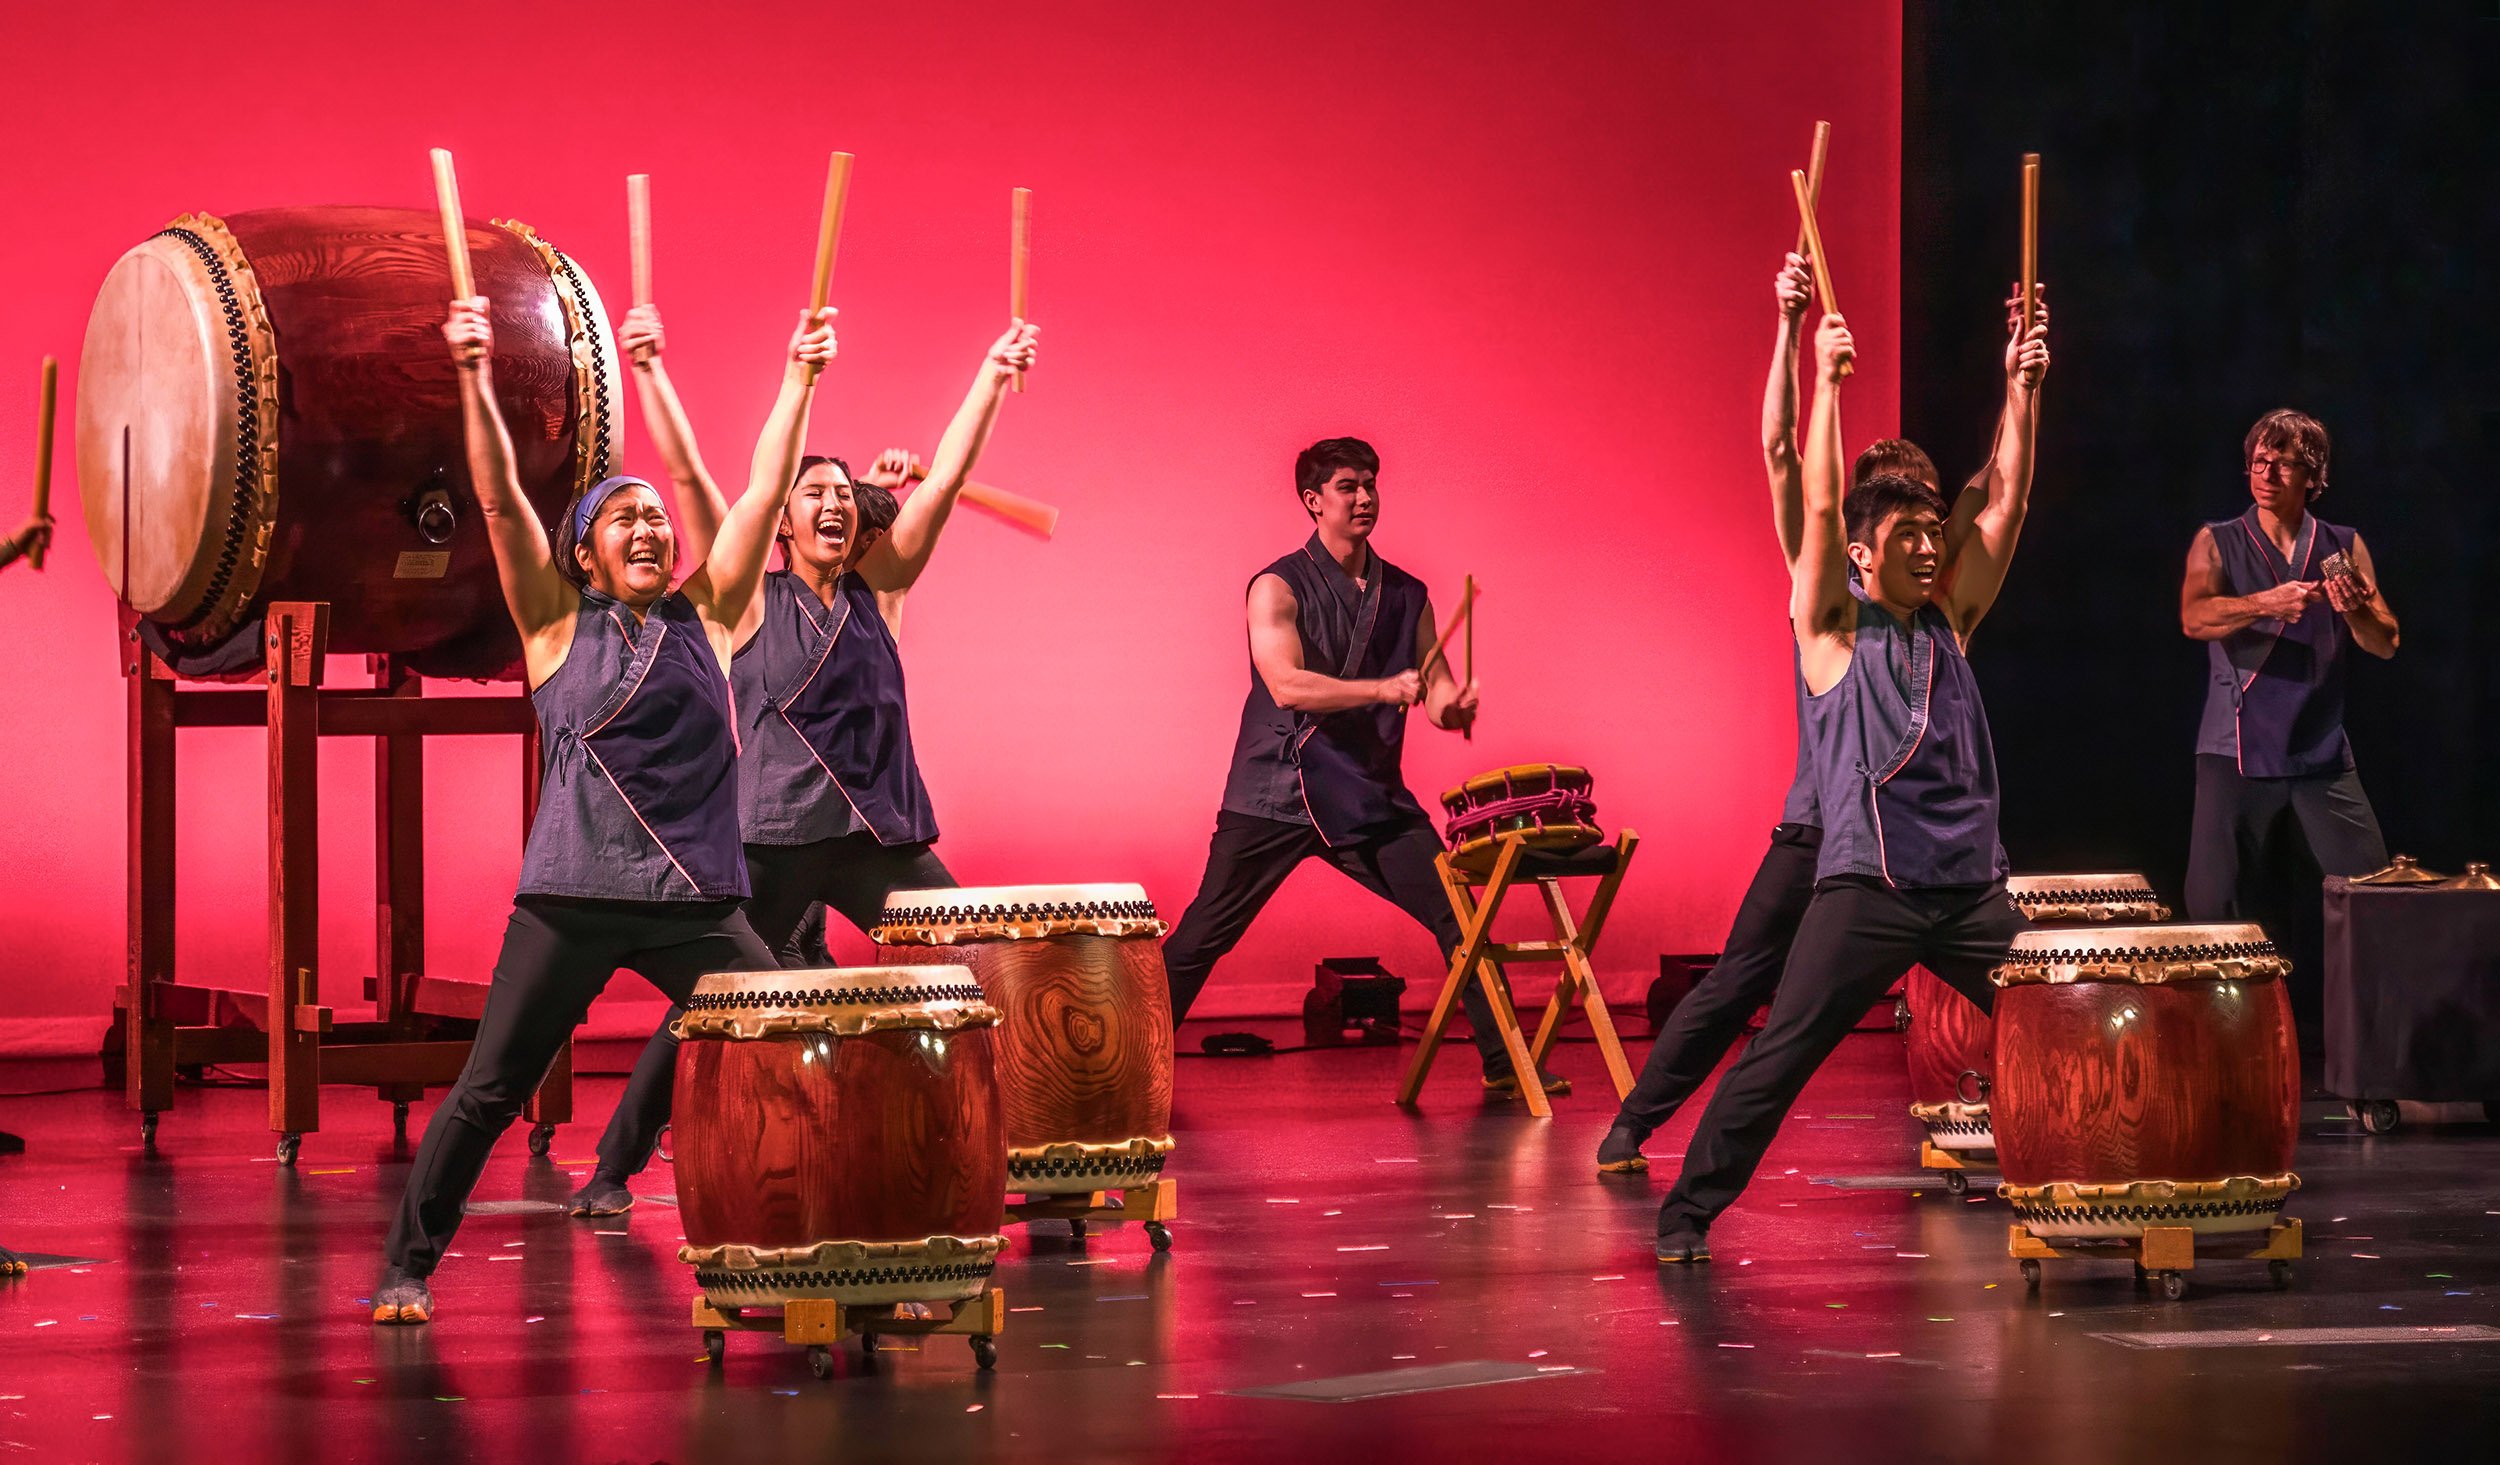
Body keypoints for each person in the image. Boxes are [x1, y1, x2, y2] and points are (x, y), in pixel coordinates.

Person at [368, 296, 834, 1323]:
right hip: (569, 901)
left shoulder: (704, 618)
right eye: (625, 516)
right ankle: (407, 1266)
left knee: (793, 1047)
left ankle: (811, 1249)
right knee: (490, 1090)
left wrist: (799, 380)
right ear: (582, 553)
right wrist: (473, 377)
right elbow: (496, 499)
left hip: (694, 904)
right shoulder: (549, 625)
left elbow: (761, 495)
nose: (650, 527)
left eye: (657, 520)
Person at [563, 309, 1038, 1216]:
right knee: (706, 1003)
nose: (831, 502)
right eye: (811, 492)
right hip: (772, 840)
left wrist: (990, 371)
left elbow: (951, 476)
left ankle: (998, 1148)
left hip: (875, 840)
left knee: (973, 976)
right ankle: (614, 1168)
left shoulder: (880, 593)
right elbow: (703, 478)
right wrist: (655, 371)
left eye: (843, 494)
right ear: (779, 520)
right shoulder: (743, 603)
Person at [1594, 263, 2037, 1173]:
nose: (1916, 535)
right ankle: (1635, 1123)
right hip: (1820, 827)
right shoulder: (1829, 588)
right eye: (1893, 517)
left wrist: (2021, 378)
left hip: (1912, 856)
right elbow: (1786, 460)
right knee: (1740, 983)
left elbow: (2002, 487)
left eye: (1924, 517)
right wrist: (1792, 332)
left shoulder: (1945, 607)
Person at [1162, 437, 1566, 1095]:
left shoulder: (1408, 594)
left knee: (1460, 914)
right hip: (1276, 790)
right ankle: (1121, 1064)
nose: (1365, 496)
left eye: (1371, 483)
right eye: (1348, 485)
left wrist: (1452, 705)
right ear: (1313, 500)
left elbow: (1432, 691)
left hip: (1365, 795)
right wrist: (1383, 690)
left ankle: (1504, 1063)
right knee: (1202, 937)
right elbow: (1288, 684)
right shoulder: (1275, 586)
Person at [2181, 411, 2395, 937]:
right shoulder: (2219, 540)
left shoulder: (2343, 545)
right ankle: (2227, 1019)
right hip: (2234, 748)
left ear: (2312, 477)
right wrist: (2263, 603)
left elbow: (2385, 642)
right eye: (2259, 462)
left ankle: (2373, 1018)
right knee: (2214, 906)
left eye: (2282, 464)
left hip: (2318, 749)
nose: (2267, 475)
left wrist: (2356, 611)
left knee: (2375, 896)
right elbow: (2194, 619)